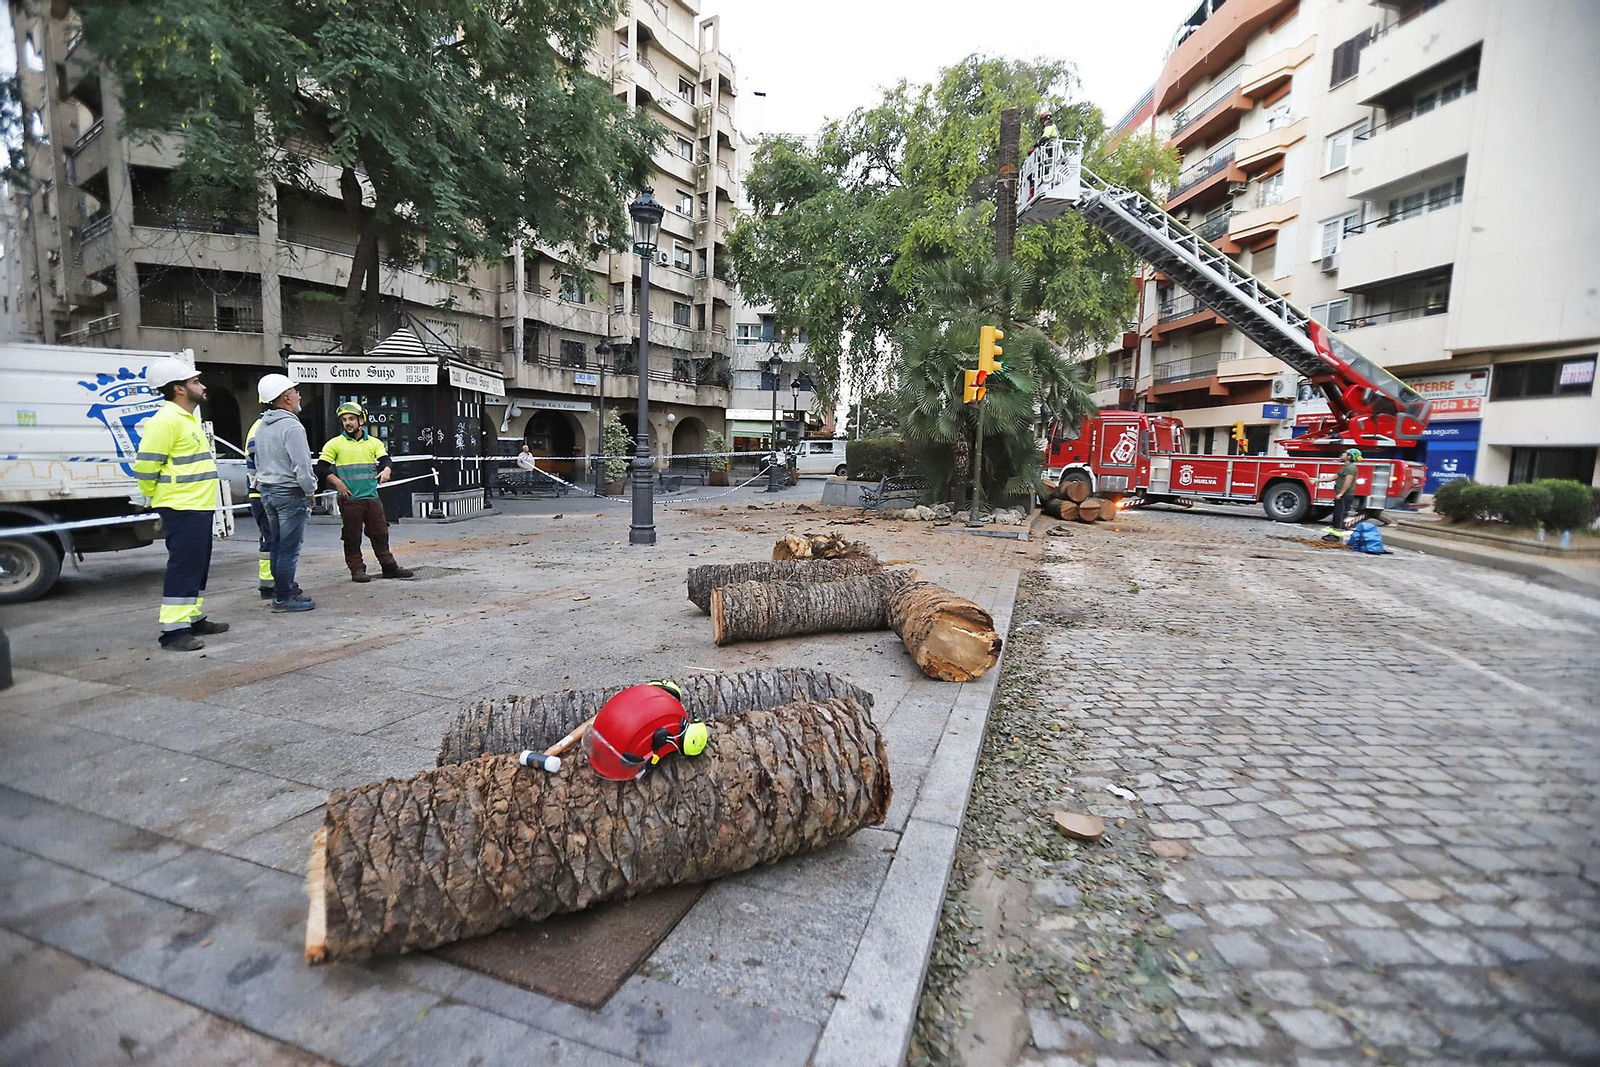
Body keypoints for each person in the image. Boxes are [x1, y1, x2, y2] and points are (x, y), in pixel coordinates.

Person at [132, 358, 228, 652]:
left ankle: (192, 617)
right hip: (180, 506)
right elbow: (146, 468)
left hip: (197, 506)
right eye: (195, 382)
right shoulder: (165, 421)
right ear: (179, 389)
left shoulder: (187, 419)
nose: (202, 385)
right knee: (184, 567)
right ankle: (173, 632)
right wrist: (153, 496)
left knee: (197, 567)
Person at [318, 402, 414, 583]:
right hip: (350, 499)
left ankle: (389, 567)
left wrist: (387, 470)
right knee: (352, 536)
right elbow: (322, 468)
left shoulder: (374, 443)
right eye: (345, 420)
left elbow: (385, 460)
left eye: (352, 419)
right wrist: (338, 483)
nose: (348, 423)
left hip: (371, 497)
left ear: (361, 420)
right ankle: (357, 570)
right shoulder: (334, 444)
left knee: (380, 533)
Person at [253, 374, 317, 612]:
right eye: (295, 391)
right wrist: (310, 490)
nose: (299, 396)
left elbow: (258, 460)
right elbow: (302, 466)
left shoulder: (262, 426)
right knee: (289, 547)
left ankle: (282, 587)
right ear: (287, 397)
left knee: (277, 544)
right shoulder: (292, 426)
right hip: (289, 492)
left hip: (267, 491)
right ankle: (283, 596)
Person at [1331, 448, 1362, 530]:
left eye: (1345, 453)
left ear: (1349, 457)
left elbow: (1348, 481)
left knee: (1340, 517)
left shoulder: (1350, 468)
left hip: (1345, 496)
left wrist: (1341, 493)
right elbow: (1333, 478)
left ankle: (1337, 536)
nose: (1343, 454)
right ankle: (1334, 535)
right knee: (1337, 516)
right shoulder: (1346, 467)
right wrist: (1317, 480)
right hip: (1342, 496)